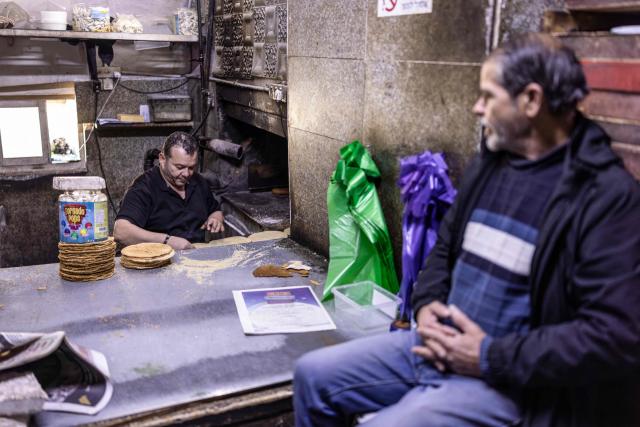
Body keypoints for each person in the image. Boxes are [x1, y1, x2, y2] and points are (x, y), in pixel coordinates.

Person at [293, 33, 640, 427]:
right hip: (436, 349)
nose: (477, 108)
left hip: (510, 383)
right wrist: (425, 308)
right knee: (312, 377)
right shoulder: (490, 164)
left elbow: (611, 337)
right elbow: (444, 249)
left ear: (531, 100)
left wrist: (488, 356)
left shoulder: (605, 197)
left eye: (488, 96)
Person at [114, 131, 224, 250]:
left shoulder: (198, 182)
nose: (186, 174)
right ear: (162, 159)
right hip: (158, 260)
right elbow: (121, 231)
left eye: (191, 167)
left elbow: (215, 210)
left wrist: (215, 218)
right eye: (179, 167)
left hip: (196, 257)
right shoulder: (144, 188)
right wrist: (167, 241)